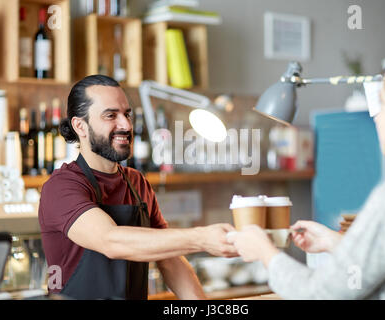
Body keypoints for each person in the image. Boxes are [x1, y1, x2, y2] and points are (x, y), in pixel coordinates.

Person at [228, 47, 385, 299]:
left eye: (384, 105)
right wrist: (335, 243)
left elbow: (319, 294)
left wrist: (265, 252)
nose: (377, 117)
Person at [38, 75, 237, 300]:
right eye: (111, 115)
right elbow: (110, 240)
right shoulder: (61, 186)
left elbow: (170, 259)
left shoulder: (136, 183)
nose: (126, 125)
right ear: (80, 126)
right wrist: (201, 238)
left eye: (127, 114)